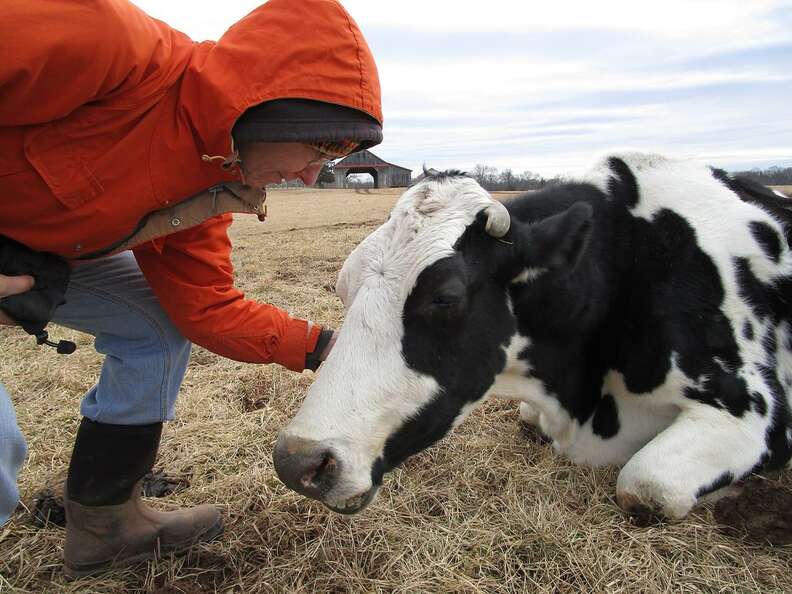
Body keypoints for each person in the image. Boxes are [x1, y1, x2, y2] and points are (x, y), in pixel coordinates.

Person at [0, 0, 382, 578]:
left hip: (27, 256)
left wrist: (325, 348)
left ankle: (106, 526)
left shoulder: (204, 192)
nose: (315, 174)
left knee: (153, 323)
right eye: (323, 150)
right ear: (277, 112)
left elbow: (204, 309)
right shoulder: (109, 44)